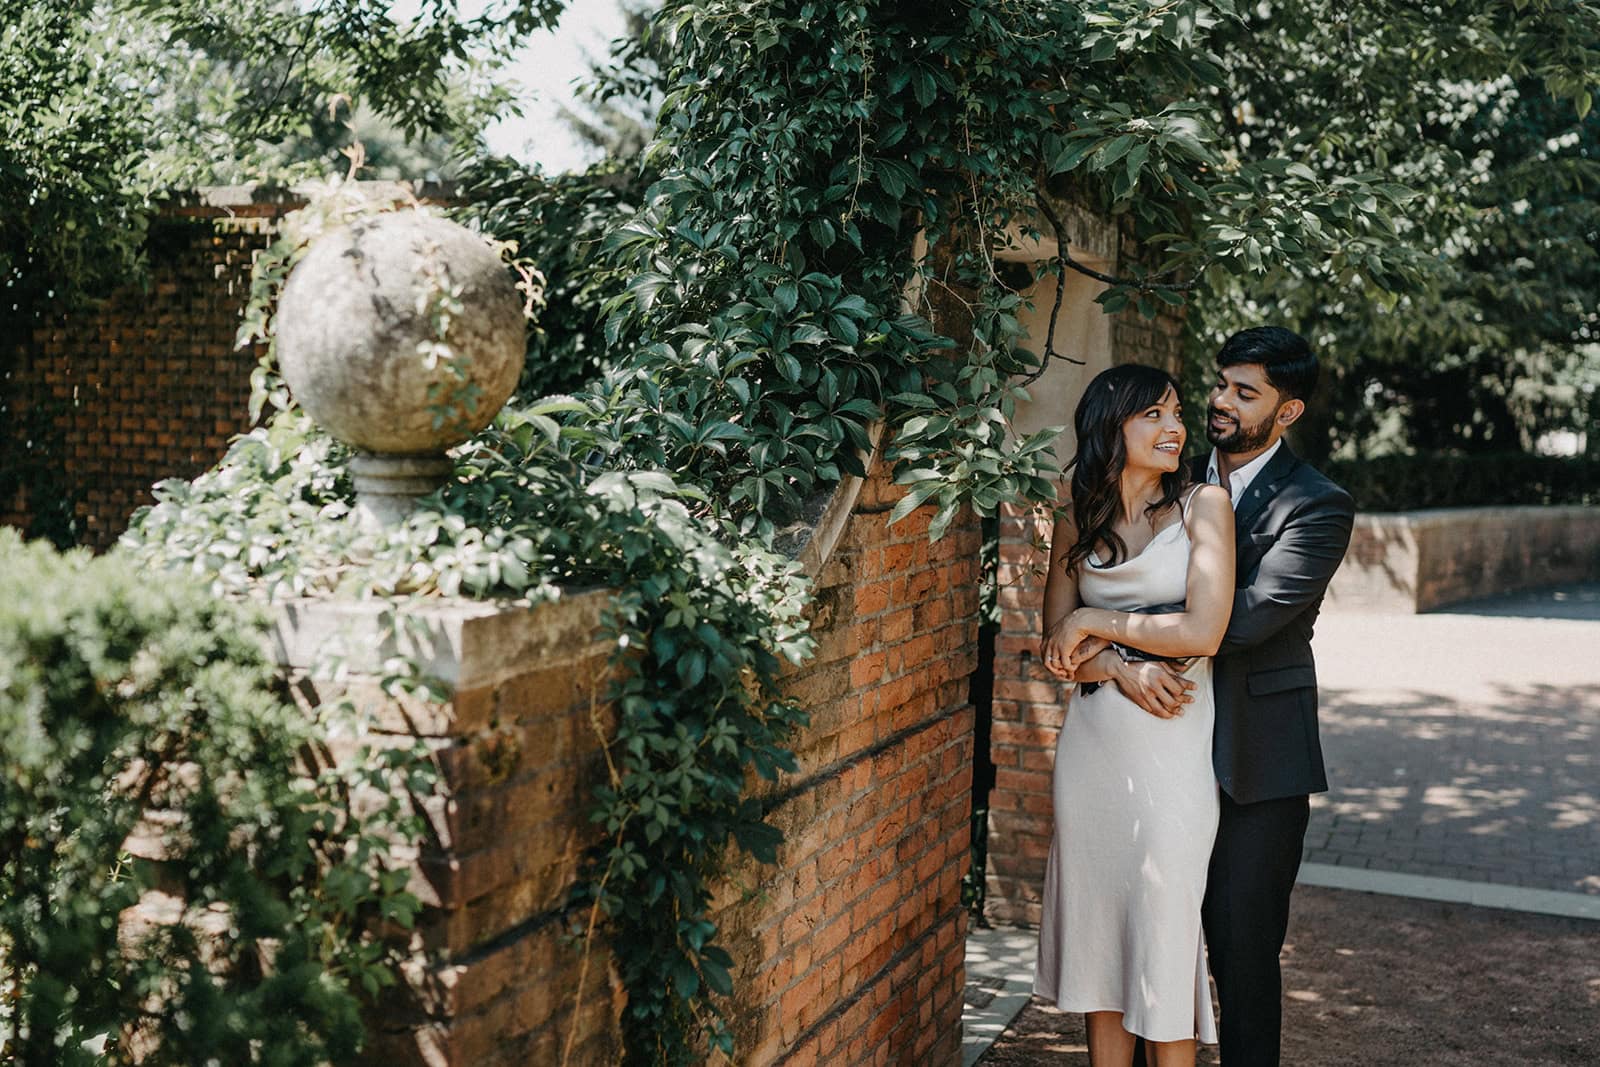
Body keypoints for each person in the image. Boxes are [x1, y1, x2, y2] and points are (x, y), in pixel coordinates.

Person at [1120, 326, 1356, 1067]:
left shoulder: (1318, 505)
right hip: (1154, 745)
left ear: (1287, 413)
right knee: (1143, 939)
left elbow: (1245, 620)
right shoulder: (1166, 477)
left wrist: (1116, 628)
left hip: (1258, 762)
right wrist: (1119, 654)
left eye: (1243, 393)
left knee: (1242, 952)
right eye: (1220, 383)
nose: (1219, 402)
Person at [1033, 363, 1235, 1067]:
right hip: (1094, 752)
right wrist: (1119, 665)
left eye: (1177, 412)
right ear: (1110, 425)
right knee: (1101, 947)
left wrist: (1097, 618)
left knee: (1165, 930)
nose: (1174, 427)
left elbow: (1202, 631)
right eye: (1153, 413)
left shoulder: (1205, 507)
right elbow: (1054, 648)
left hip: (1176, 748)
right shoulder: (1075, 511)